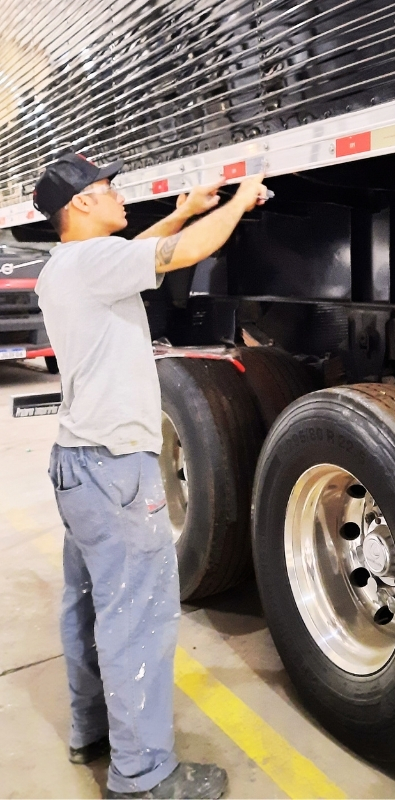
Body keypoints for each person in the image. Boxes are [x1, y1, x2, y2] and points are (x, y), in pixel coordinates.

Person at [32, 152, 267, 799]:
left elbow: (142, 249)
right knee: (136, 616)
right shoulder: (92, 262)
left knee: (87, 607)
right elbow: (180, 253)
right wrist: (237, 201)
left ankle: (92, 732)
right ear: (80, 204)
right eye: (107, 189)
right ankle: (142, 778)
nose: (118, 196)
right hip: (113, 472)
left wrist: (187, 206)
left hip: (77, 466)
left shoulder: (67, 267)